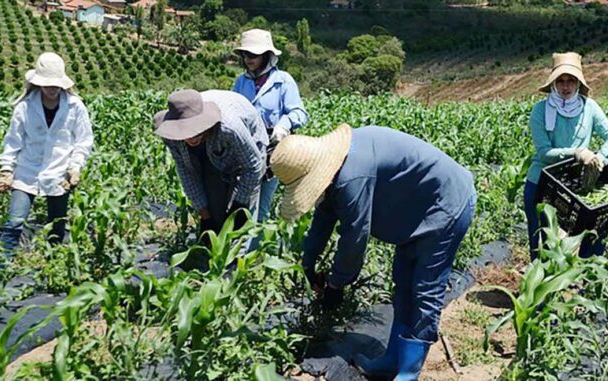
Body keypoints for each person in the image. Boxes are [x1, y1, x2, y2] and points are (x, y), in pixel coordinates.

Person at [269, 125, 476, 381]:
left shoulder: (351, 177)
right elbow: (323, 220)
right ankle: (391, 360)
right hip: (414, 212)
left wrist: (336, 285)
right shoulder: (336, 168)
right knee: (402, 284)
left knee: (425, 289)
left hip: (446, 204)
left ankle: (409, 372)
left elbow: (354, 238)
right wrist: (307, 265)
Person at [525, 52, 608, 260]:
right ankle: (540, 286)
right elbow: (544, 152)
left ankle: (585, 280)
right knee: (540, 244)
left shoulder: (589, 107)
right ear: (553, 83)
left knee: (591, 236)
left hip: (575, 186)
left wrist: (601, 158)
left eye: (571, 80)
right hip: (541, 184)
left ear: (579, 82)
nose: (565, 86)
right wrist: (577, 153)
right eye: (560, 80)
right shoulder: (540, 110)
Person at [154, 89, 267, 267]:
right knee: (215, 214)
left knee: (240, 223)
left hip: (247, 151)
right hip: (211, 156)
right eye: (185, 131)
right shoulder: (172, 137)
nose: (190, 136)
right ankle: (215, 260)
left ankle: (235, 269)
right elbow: (187, 173)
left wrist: (240, 205)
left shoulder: (229, 129)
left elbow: (253, 166)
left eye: (194, 129)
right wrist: (205, 216)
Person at [0, 52, 94, 255]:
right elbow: (13, 140)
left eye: (56, 84)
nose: (53, 88)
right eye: (48, 84)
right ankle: (0, 267)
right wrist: (6, 169)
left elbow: (83, 141)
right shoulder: (24, 107)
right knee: (14, 222)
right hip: (27, 171)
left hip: (60, 174)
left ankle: (53, 264)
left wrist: (75, 168)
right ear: (39, 83)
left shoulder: (75, 107)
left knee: (57, 226)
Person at [231, 28, 308, 223]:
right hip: (244, 149)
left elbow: (299, 113)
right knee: (241, 205)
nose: (249, 58)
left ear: (267, 55)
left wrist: (283, 125)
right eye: (245, 54)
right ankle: (240, 247)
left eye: (254, 54)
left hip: (271, 150)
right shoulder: (241, 82)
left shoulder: (283, 81)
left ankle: (255, 250)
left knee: (261, 207)